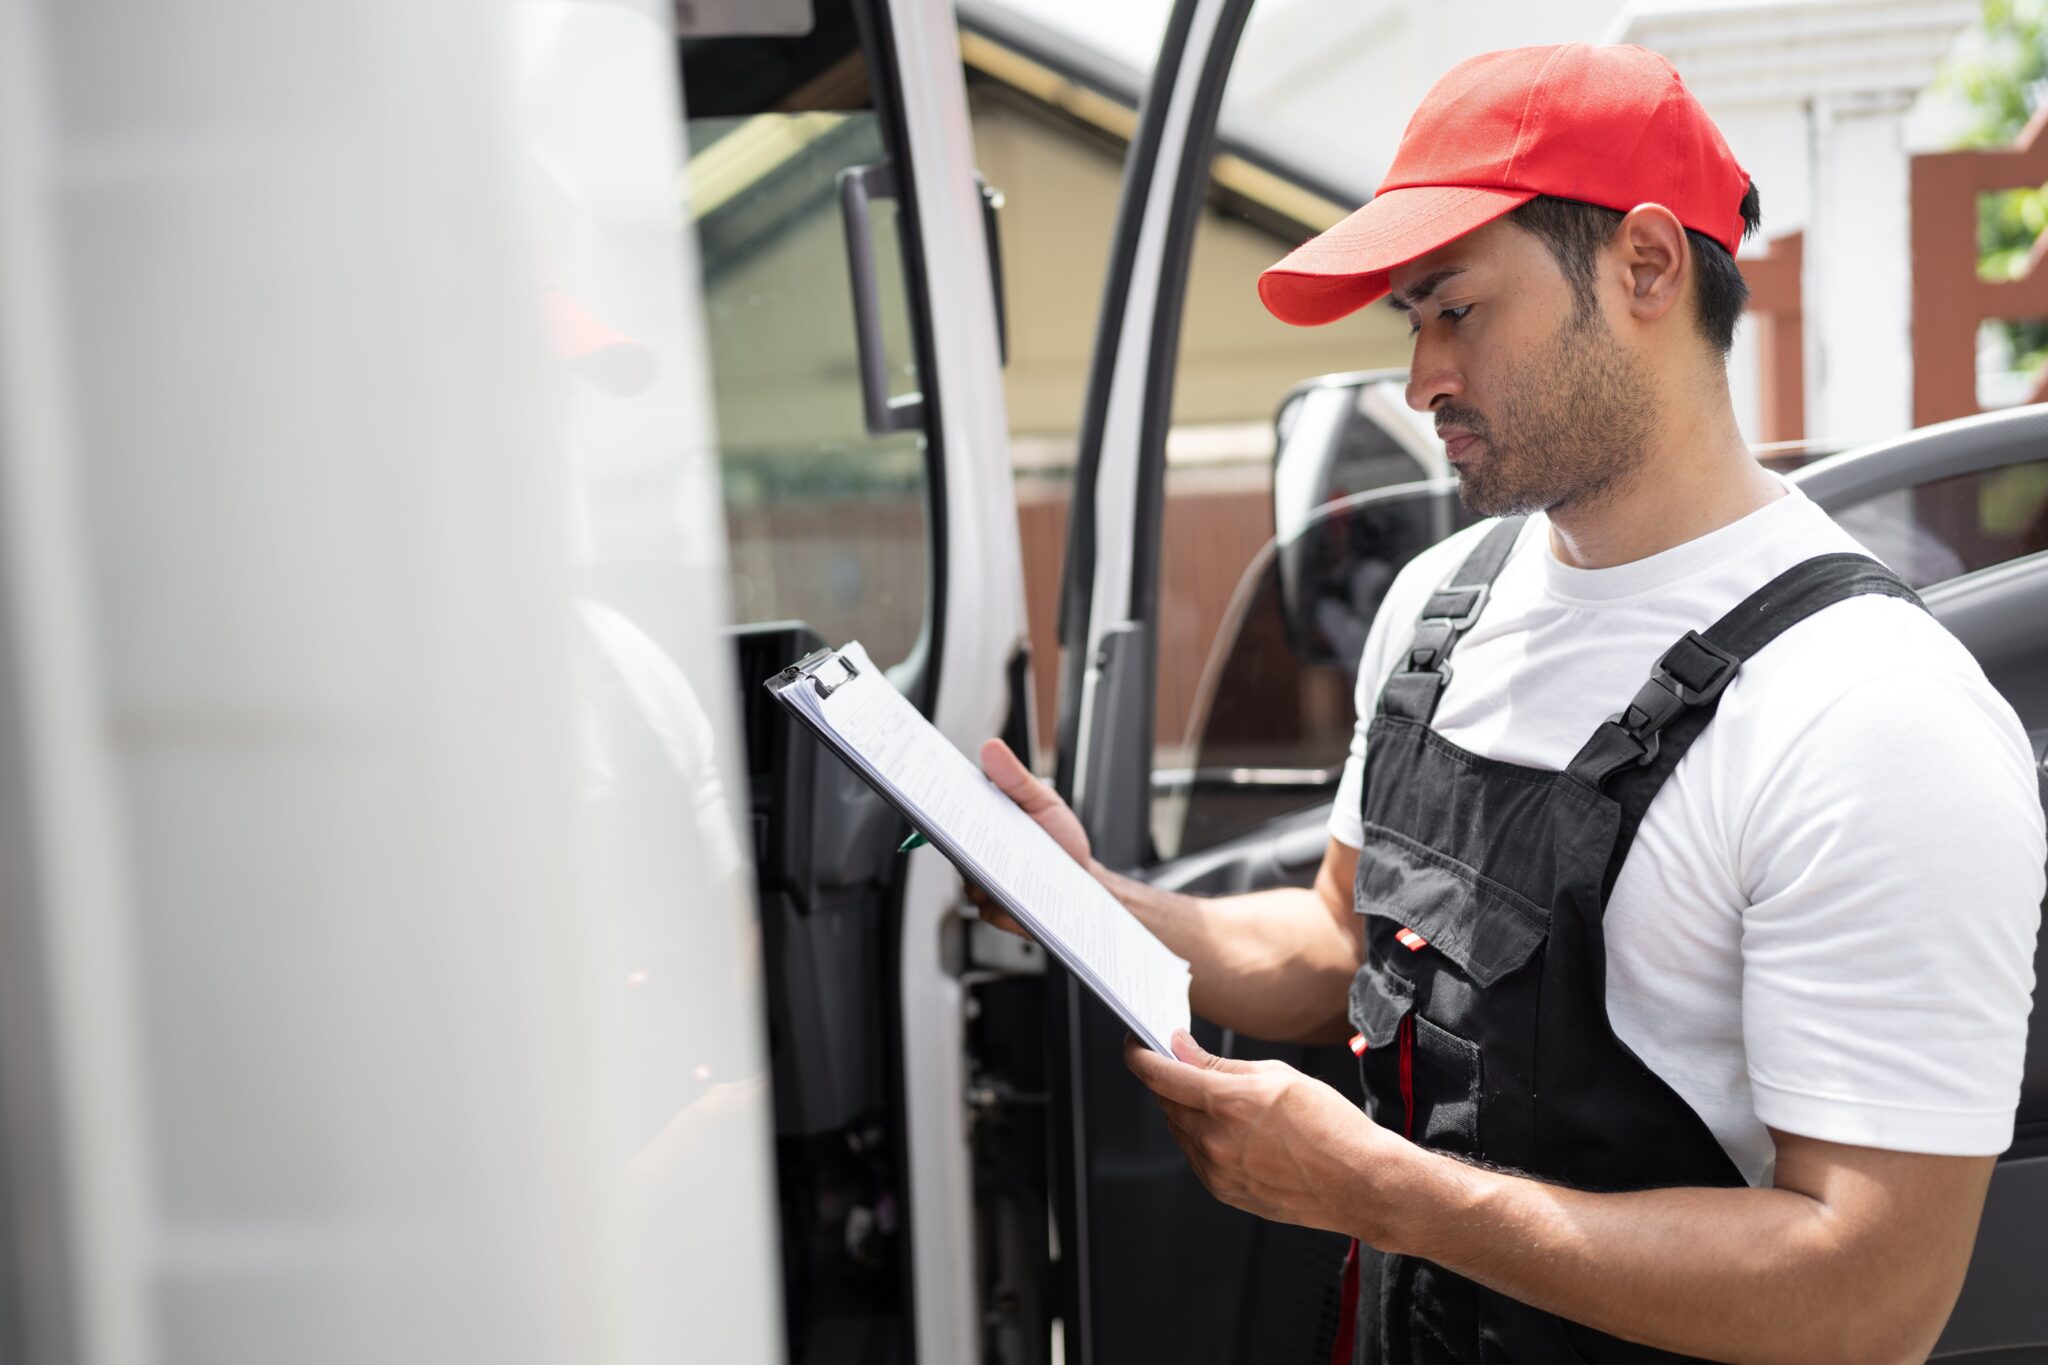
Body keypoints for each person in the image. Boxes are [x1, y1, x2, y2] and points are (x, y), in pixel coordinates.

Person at [979, 43, 2046, 1364]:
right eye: (1411, 324)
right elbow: (1338, 941)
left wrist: (1379, 1190)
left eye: (1457, 311)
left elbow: (1871, 1297)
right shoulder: (1442, 605)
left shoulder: (1866, 714)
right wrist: (1086, 897)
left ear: (1646, 267)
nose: (1422, 376)